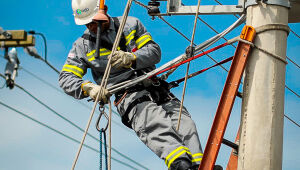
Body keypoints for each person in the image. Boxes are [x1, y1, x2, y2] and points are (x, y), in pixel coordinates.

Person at [59, 0, 203, 169]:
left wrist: (132, 58)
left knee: (185, 124)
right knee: (154, 122)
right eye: (87, 23)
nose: (92, 27)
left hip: (155, 85)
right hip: (129, 95)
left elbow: (154, 52)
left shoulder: (131, 24)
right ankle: (181, 165)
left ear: (104, 11)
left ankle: (201, 164)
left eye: (94, 21)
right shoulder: (82, 46)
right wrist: (88, 88)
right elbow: (66, 78)